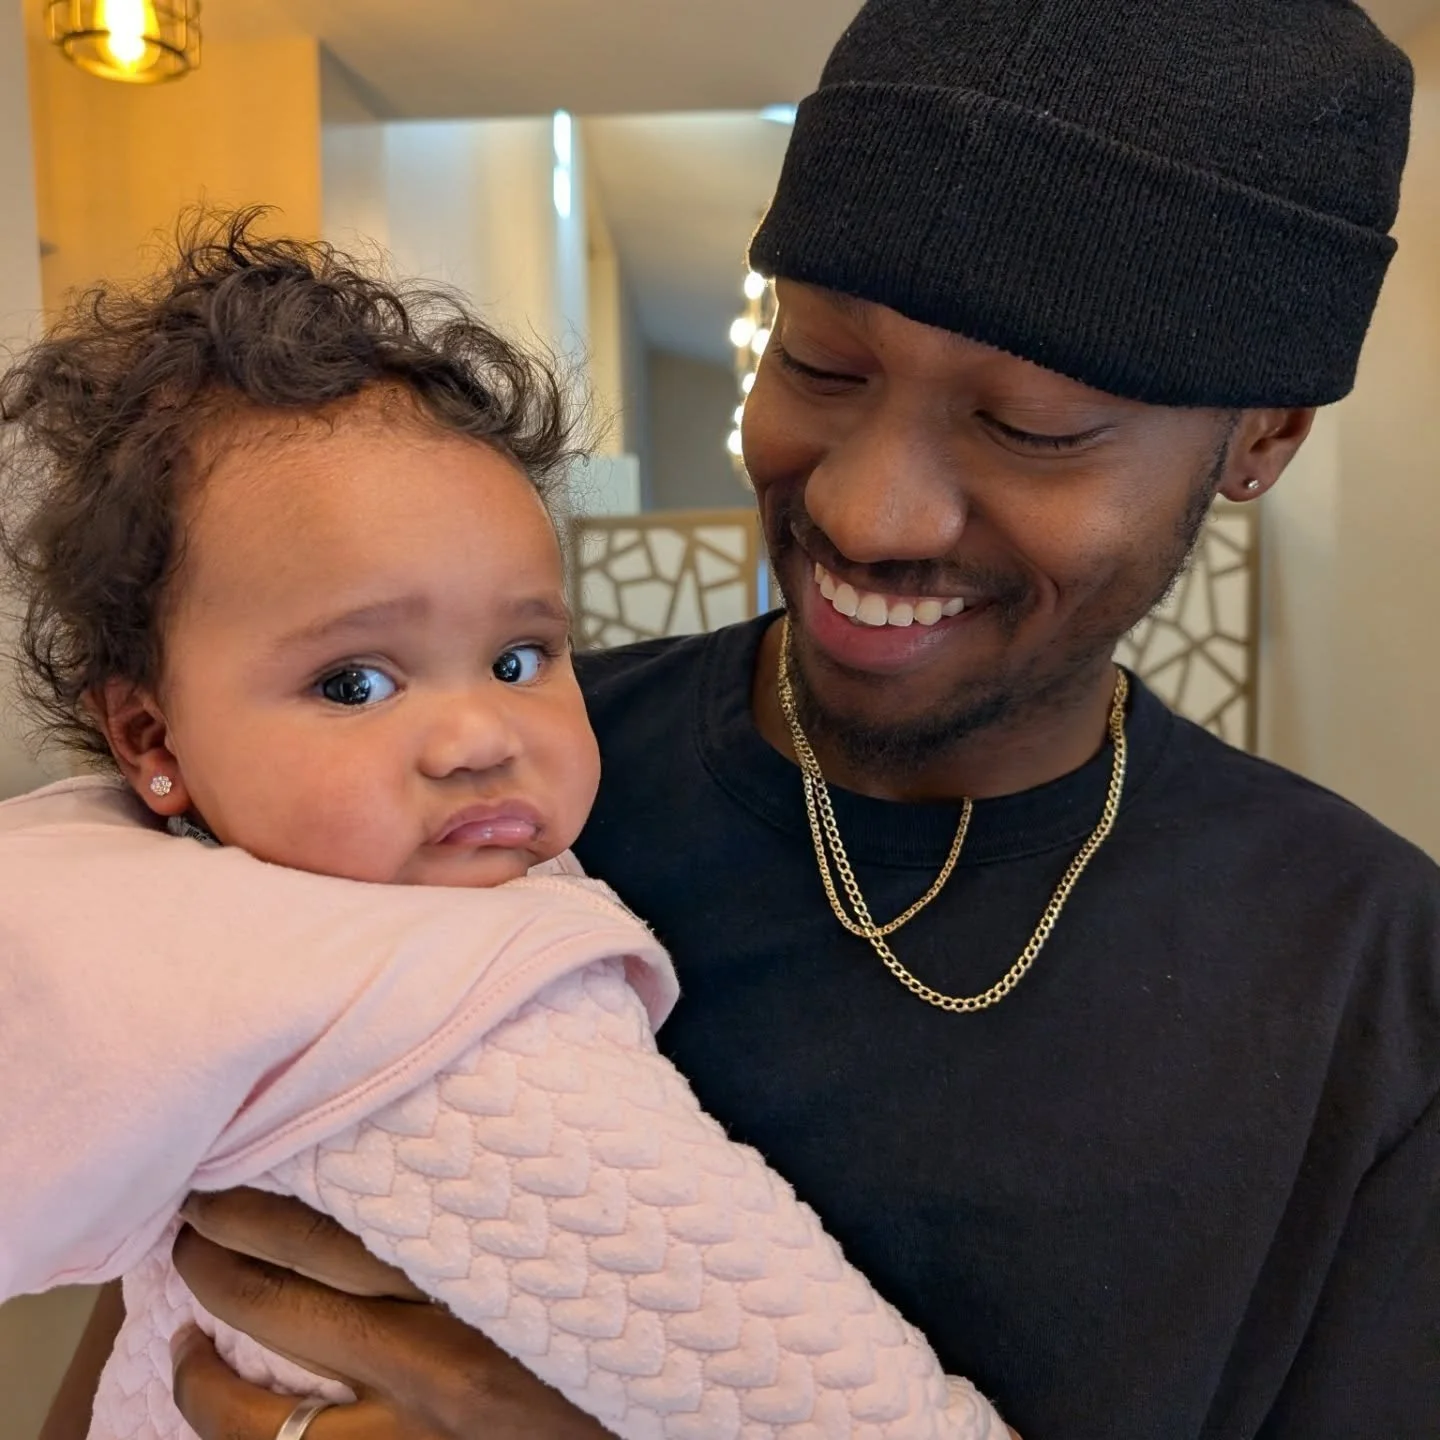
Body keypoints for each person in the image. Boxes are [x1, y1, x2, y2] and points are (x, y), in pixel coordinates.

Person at [37, 0, 1440, 1437]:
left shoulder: (1372, 990)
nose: (861, 509)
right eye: (820, 365)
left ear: (1260, 436)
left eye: (1028, 428)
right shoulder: (424, 814)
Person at [0, 217, 1018, 1440]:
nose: (480, 734)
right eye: (355, 684)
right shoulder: (461, 1025)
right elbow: (798, 1382)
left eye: (521, 655)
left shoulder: (149, 930)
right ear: (151, 742)